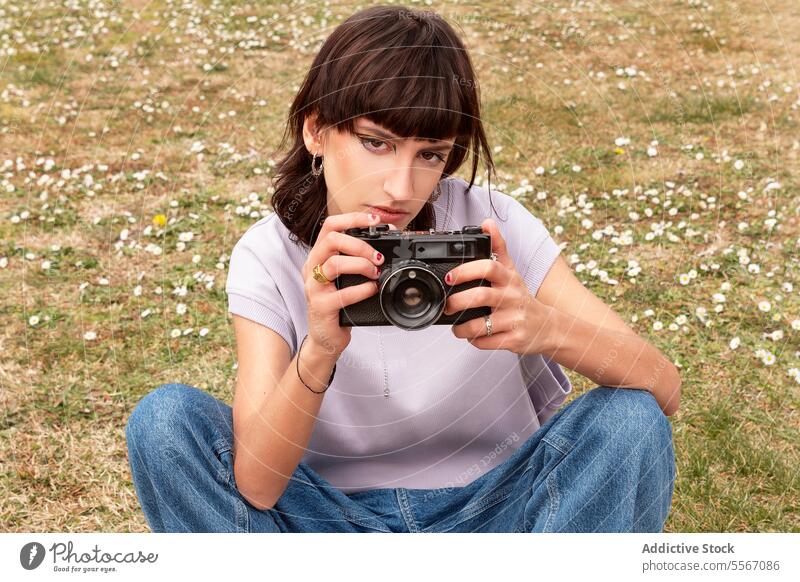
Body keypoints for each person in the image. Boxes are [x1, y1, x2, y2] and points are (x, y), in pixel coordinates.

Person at [125, 5, 680, 533]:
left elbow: (663, 389)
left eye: (430, 154)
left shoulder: (492, 225)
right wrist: (318, 351)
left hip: (501, 510)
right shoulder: (269, 255)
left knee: (630, 420)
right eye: (375, 143)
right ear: (315, 131)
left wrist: (542, 326)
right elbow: (259, 487)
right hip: (329, 520)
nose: (401, 187)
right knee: (167, 423)